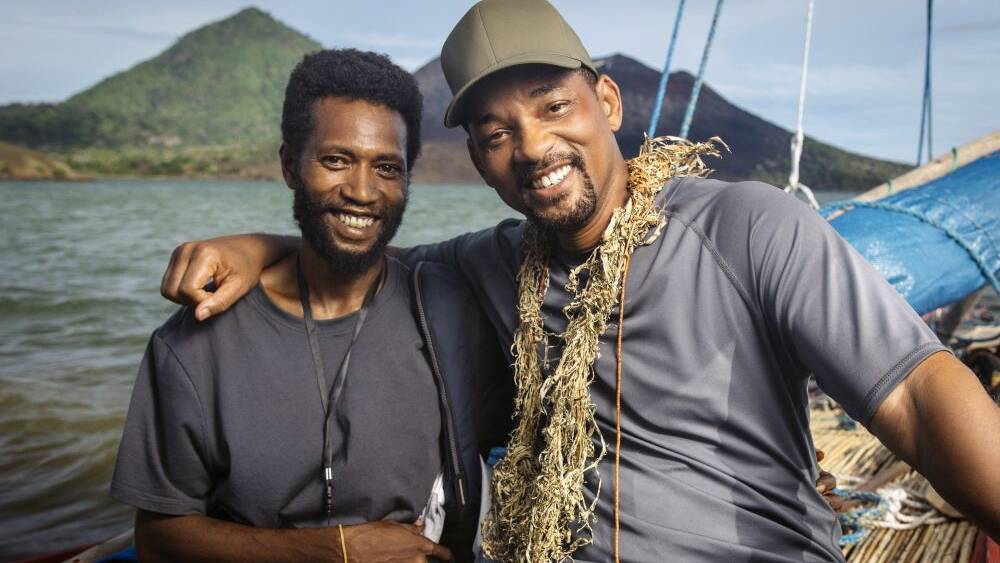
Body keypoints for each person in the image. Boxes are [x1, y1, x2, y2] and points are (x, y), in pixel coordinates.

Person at [158, 1, 1000, 561]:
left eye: (553, 106)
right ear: (479, 158)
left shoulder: (746, 226)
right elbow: (364, 253)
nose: (531, 147)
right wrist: (261, 245)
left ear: (608, 101)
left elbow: (917, 392)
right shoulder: (494, 265)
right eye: (496, 133)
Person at [111, 48, 511, 563]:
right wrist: (336, 550)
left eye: (386, 168)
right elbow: (158, 539)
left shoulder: (450, 310)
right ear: (290, 165)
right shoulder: (195, 343)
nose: (362, 191)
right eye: (336, 160)